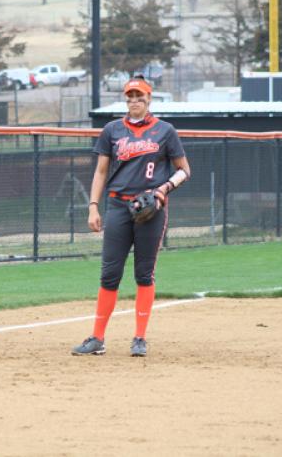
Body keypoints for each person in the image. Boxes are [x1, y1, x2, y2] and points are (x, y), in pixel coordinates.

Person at [72, 75, 190, 357]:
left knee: (143, 273)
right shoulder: (112, 130)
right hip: (118, 207)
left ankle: (139, 338)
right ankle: (97, 338)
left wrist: (164, 189)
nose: (135, 101)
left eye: (140, 96)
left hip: (151, 209)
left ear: (149, 99)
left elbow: (184, 169)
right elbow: (101, 171)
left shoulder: (165, 130)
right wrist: (92, 206)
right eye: (130, 97)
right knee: (110, 273)